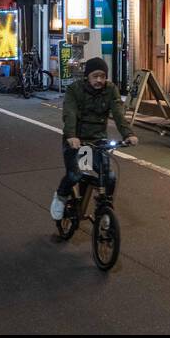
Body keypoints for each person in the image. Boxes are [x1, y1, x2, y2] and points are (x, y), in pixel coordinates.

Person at [50, 58, 137, 221]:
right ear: (87, 76)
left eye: (103, 76)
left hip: (98, 141)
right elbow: (70, 114)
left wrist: (128, 134)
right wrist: (71, 136)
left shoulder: (111, 90)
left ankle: (104, 208)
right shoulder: (74, 90)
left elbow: (118, 114)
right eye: (95, 76)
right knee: (76, 175)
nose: (99, 80)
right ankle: (61, 196)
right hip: (78, 141)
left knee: (109, 177)